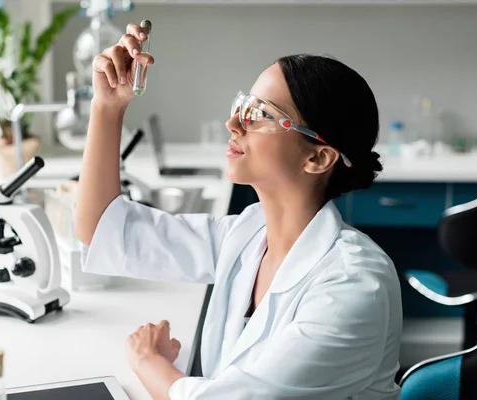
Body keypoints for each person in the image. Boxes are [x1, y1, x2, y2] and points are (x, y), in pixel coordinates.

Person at [75, 22, 402, 400]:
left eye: (259, 114)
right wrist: (107, 106)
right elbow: (103, 230)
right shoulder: (247, 234)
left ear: (317, 157)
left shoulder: (355, 285)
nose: (233, 124)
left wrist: (150, 361)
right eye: (243, 105)